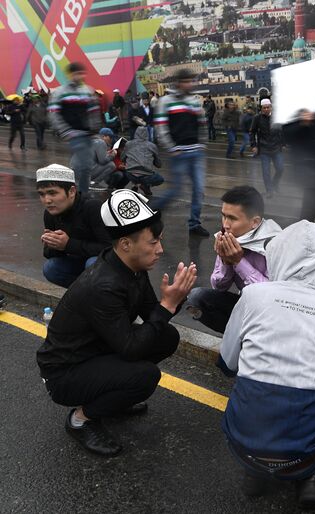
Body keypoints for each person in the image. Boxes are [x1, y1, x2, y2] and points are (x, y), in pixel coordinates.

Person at [37, 189, 197, 457]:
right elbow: (132, 348)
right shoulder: (103, 284)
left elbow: (151, 314)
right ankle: (80, 419)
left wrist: (176, 298)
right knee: (145, 376)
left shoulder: (131, 266)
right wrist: (167, 305)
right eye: (153, 242)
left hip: (95, 350)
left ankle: (111, 397)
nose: (160, 249)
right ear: (125, 244)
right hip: (64, 373)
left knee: (167, 336)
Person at [219, 220, 315, 511]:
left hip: (241, 447)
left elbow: (228, 361)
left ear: (279, 254)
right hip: (305, 455)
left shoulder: (255, 295)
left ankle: (255, 470)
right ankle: (311, 476)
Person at [187, 186, 281, 333]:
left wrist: (239, 262)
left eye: (232, 218)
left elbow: (273, 298)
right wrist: (226, 261)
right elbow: (219, 287)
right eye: (224, 216)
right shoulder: (230, 237)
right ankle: (239, 339)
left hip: (273, 315)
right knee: (197, 298)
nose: (225, 224)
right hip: (247, 306)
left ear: (254, 222)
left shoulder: (274, 244)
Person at [153, 68, 210, 237]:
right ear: (179, 83)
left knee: (199, 189)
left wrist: (202, 143)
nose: (191, 84)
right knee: (176, 190)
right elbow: (161, 126)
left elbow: (202, 123)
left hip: (196, 151)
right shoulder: (166, 101)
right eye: (187, 81)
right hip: (179, 153)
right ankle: (153, 209)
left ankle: (194, 224)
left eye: (192, 81)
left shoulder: (194, 101)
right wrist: (171, 147)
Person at [37, 164, 111, 288]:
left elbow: (111, 248)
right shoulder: (50, 213)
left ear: (71, 191)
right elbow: (51, 255)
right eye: (42, 194)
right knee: (51, 268)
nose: (47, 200)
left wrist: (68, 244)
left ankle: (101, 298)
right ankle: (81, 296)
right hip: (78, 262)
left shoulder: (92, 207)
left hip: (105, 265)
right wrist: (53, 245)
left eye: (52, 193)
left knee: (92, 264)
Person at [49, 63, 101, 193]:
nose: (81, 76)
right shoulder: (60, 92)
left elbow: (94, 111)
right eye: (78, 73)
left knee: (84, 166)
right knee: (85, 165)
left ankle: (78, 193)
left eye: (82, 73)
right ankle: (79, 194)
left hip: (87, 133)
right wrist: (65, 131)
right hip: (74, 134)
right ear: (71, 74)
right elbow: (54, 113)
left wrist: (95, 128)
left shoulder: (87, 91)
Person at [116, 126, 165, 196]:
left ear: (136, 133)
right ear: (146, 134)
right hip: (146, 175)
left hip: (130, 174)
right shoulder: (152, 146)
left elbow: (122, 158)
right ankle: (145, 185)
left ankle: (135, 184)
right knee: (160, 179)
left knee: (131, 169)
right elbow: (158, 165)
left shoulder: (128, 144)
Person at [250, 98, 284, 197]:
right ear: (261, 108)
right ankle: (269, 190)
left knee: (280, 168)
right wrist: (254, 145)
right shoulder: (257, 118)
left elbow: (282, 131)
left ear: (271, 107)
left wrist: (283, 143)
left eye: (267, 107)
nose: (266, 109)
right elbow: (252, 132)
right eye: (264, 108)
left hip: (276, 148)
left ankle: (275, 184)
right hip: (264, 149)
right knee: (266, 172)